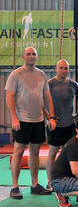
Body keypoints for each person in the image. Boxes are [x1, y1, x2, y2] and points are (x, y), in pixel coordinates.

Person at [5, 46, 56, 199]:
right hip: (21, 120)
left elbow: (47, 96)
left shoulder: (42, 75)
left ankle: (35, 185)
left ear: (36, 57)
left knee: (35, 152)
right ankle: (14, 187)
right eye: (29, 54)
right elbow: (9, 97)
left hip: (38, 120)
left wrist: (51, 116)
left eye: (34, 53)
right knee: (19, 152)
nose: (31, 56)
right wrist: (14, 117)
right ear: (23, 57)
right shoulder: (16, 75)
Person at [45, 59, 78, 192]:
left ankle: (67, 179)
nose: (64, 70)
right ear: (56, 68)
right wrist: (50, 118)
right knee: (52, 153)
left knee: (68, 154)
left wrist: (77, 114)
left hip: (69, 125)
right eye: (61, 68)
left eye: (66, 68)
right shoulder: (49, 84)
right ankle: (50, 181)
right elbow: (42, 104)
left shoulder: (74, 85)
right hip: (55, 126)